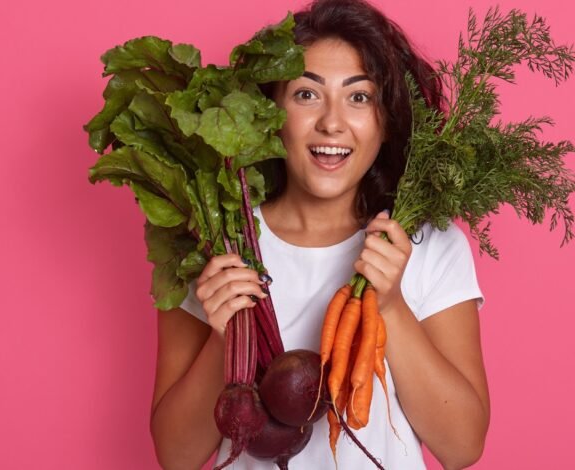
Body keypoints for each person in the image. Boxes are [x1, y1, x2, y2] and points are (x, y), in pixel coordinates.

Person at [150, 0, 490, 468]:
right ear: (269, 114)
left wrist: (391, 306)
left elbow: (463, 446)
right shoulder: (217, 243)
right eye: (306, 94)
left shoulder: (426, 245)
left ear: (387, 121)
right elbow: (175, 456)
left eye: (359, 97)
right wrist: (222, 339)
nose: (332, 122)